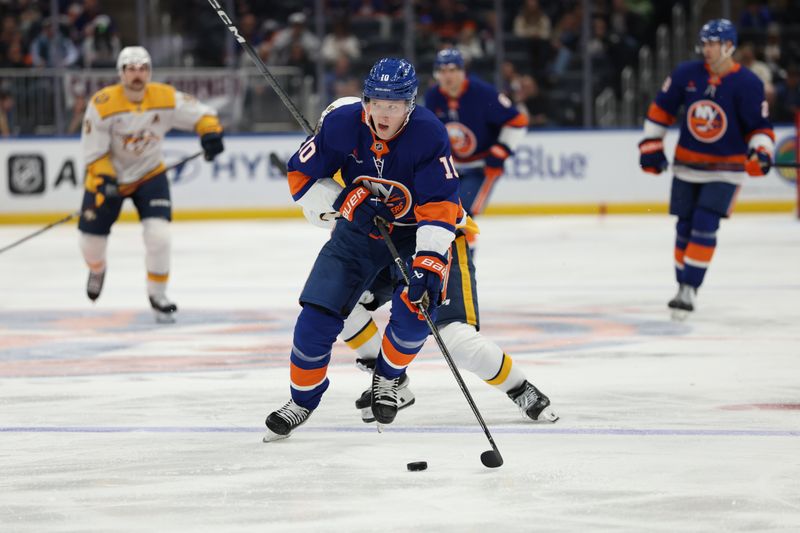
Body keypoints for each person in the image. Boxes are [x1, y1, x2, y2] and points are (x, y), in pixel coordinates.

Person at [263, 58, 461, 442]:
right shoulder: (341, 124)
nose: (383, 113)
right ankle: (301, 401)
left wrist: (429, 263)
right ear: (365, 100)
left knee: (417, 306)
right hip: (357, 232)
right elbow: (299, 175)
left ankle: (387, 380)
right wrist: (346, 199)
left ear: (410, 105)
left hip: (413, 233)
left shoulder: (428, 133)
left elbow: (439, 205)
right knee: (315, 317)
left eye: (394, 105)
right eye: (376, 102)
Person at [638, 19, 774, 320]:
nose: (707, 49)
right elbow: (661, 109)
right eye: (705, 43)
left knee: (704, 222)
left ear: (729, 46)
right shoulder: (687, 74)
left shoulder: (749, 83)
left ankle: (689, 287)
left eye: (713, 43)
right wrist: (651, 144)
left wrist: (761, 150)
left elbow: (759, 127)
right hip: (687, 166)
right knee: (684, 226)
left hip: (726, 170)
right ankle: (681, 286)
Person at [78, 46, 224, 323]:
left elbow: (204, 114)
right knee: (90, 244)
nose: (137, 74)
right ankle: (97, 268)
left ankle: (158, 294)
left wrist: (210, 134)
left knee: (159, 237)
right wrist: (107, 179)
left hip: (150, 174)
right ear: (121, 73)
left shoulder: (165, 96)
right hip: (107, 180)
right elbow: (93, 152)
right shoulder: (102, 103)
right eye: (131, 69)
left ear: (150, 72)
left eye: (143, 68)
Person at [424, 48, 528, 230]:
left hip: (481, 167)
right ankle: (452, 257)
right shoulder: (433, 96)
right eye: (442, 71)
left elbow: (518, 121)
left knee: (463, 215)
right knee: (444, 213)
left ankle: (466, 258)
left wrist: (500, 150)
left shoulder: (483, 93)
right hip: (451, 166)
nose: (447, 76)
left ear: (463, 72)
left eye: (452, 70)